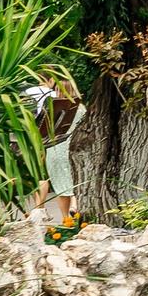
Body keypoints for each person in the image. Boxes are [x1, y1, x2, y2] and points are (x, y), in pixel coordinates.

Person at [23, 73, 86, 227]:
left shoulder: (52, 108)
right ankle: (75, 205)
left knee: (59, 184)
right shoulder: (81, 109)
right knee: (75, 181)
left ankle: (65, 219)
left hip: (54, 147)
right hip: (73, 148)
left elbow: (44, 128)